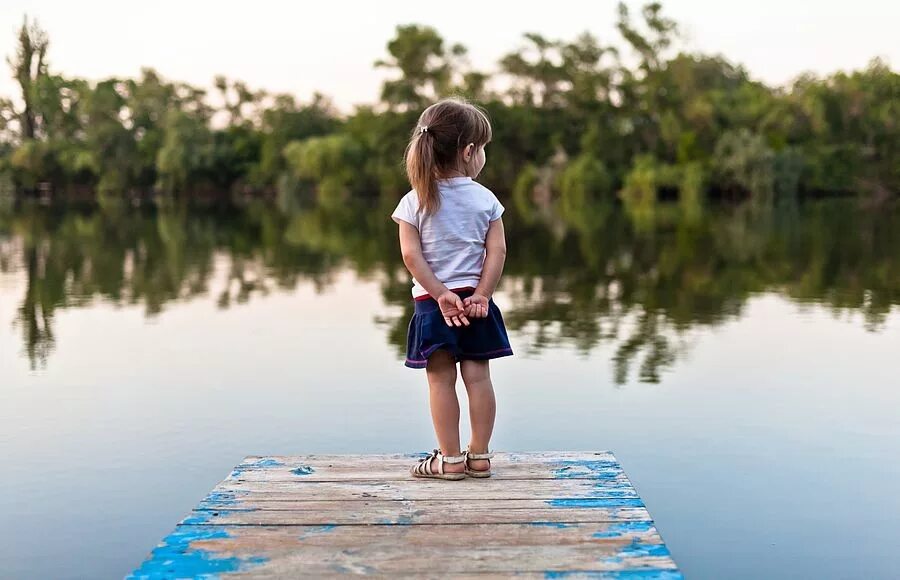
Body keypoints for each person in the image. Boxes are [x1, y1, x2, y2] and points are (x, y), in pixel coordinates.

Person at [390, 97, 513, 481]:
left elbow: (411, 257)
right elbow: (498, 250)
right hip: (476, 304)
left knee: (440, 381)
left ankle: (450, 459)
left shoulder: (414, 201)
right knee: (479, 378)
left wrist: (441, 293)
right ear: (469, 151)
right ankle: (480, 456)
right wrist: (482, 294)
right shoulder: (486, 199)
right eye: (484, 149)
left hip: (433, 304)